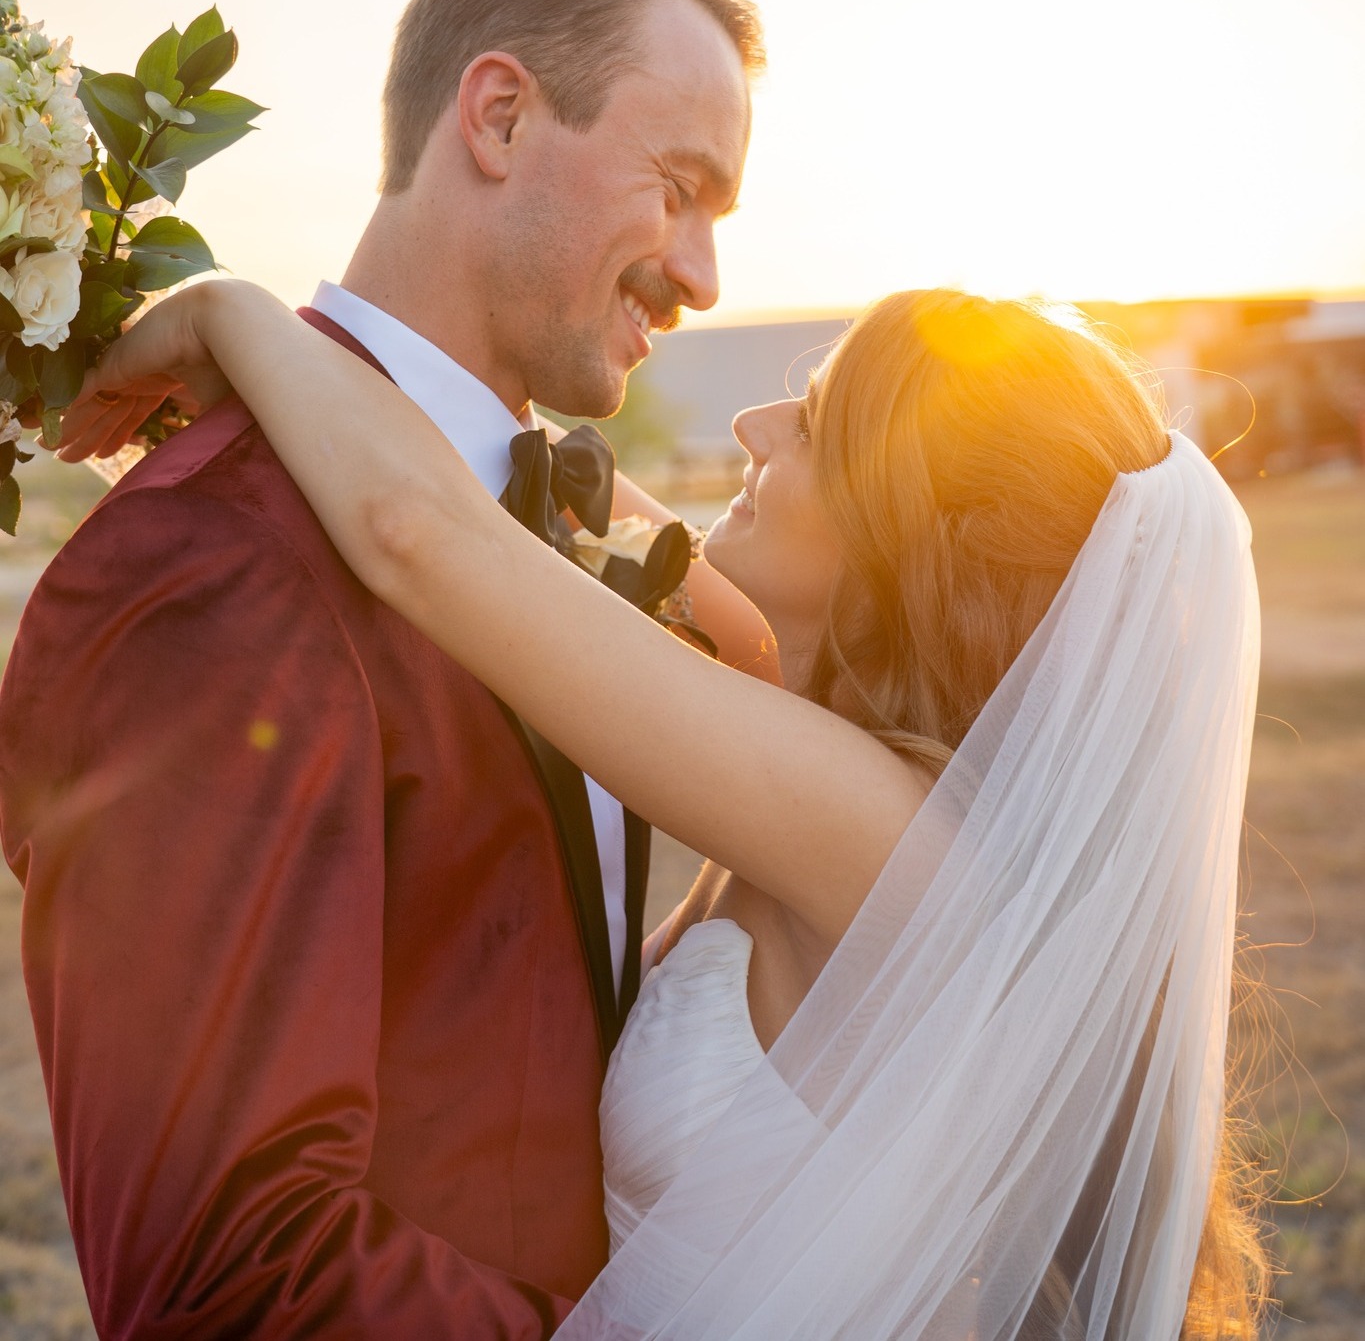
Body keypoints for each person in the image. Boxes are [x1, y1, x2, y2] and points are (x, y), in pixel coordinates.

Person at [58, 282, 1270, 1339]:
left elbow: (422, 531)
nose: (754, 420)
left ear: (906, 523)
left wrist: (232, 308)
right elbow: (529, 488)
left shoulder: (881, 832)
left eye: (819, 415)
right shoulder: (825, 749)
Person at [0, 0, 772, 1338]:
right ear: (497, 116)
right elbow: (230, 1276)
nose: (703, 274)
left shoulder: (559, 522)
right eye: (677, 186)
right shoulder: (204, 565)